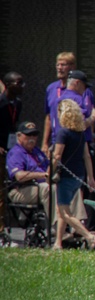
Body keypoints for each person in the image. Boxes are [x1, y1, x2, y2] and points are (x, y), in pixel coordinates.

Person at [51, 99, 95, 250]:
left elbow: (57, 157)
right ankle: (58, 243)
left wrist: (48, 172)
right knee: (61, 210)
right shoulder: (80, 134)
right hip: (79, 177)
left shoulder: (62, 133)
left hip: (65, 177)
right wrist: (91, 178)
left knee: (65, 213)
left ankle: (90, 236)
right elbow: (87, 156)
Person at [42, 52, 95, 152]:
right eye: (57, 65)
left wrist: (92, 141)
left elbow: (88, 115)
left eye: (63, 65)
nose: (59, 68)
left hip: (78, 142)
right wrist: (45, 143)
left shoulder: (83, 91)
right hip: (57, 140)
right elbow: (49, 117)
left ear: (72, 67)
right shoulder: (51, 89)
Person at [6, 121, 51, 211]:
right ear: (18, 136)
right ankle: (55, 224)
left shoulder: (37, 151)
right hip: (20, 190)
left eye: (34, 135)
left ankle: (76, 222)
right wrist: (43, 175)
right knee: (47, 189)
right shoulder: (16, 152)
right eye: (28, 135)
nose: (32, 138)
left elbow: (49, 167)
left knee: (67, 187)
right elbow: (20, 176)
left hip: (41, 186)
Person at [0, 71, 25, 235]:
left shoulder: (17, 103)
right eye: (18, 83)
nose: (22, 86)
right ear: (8, 85)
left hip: (11, 149)